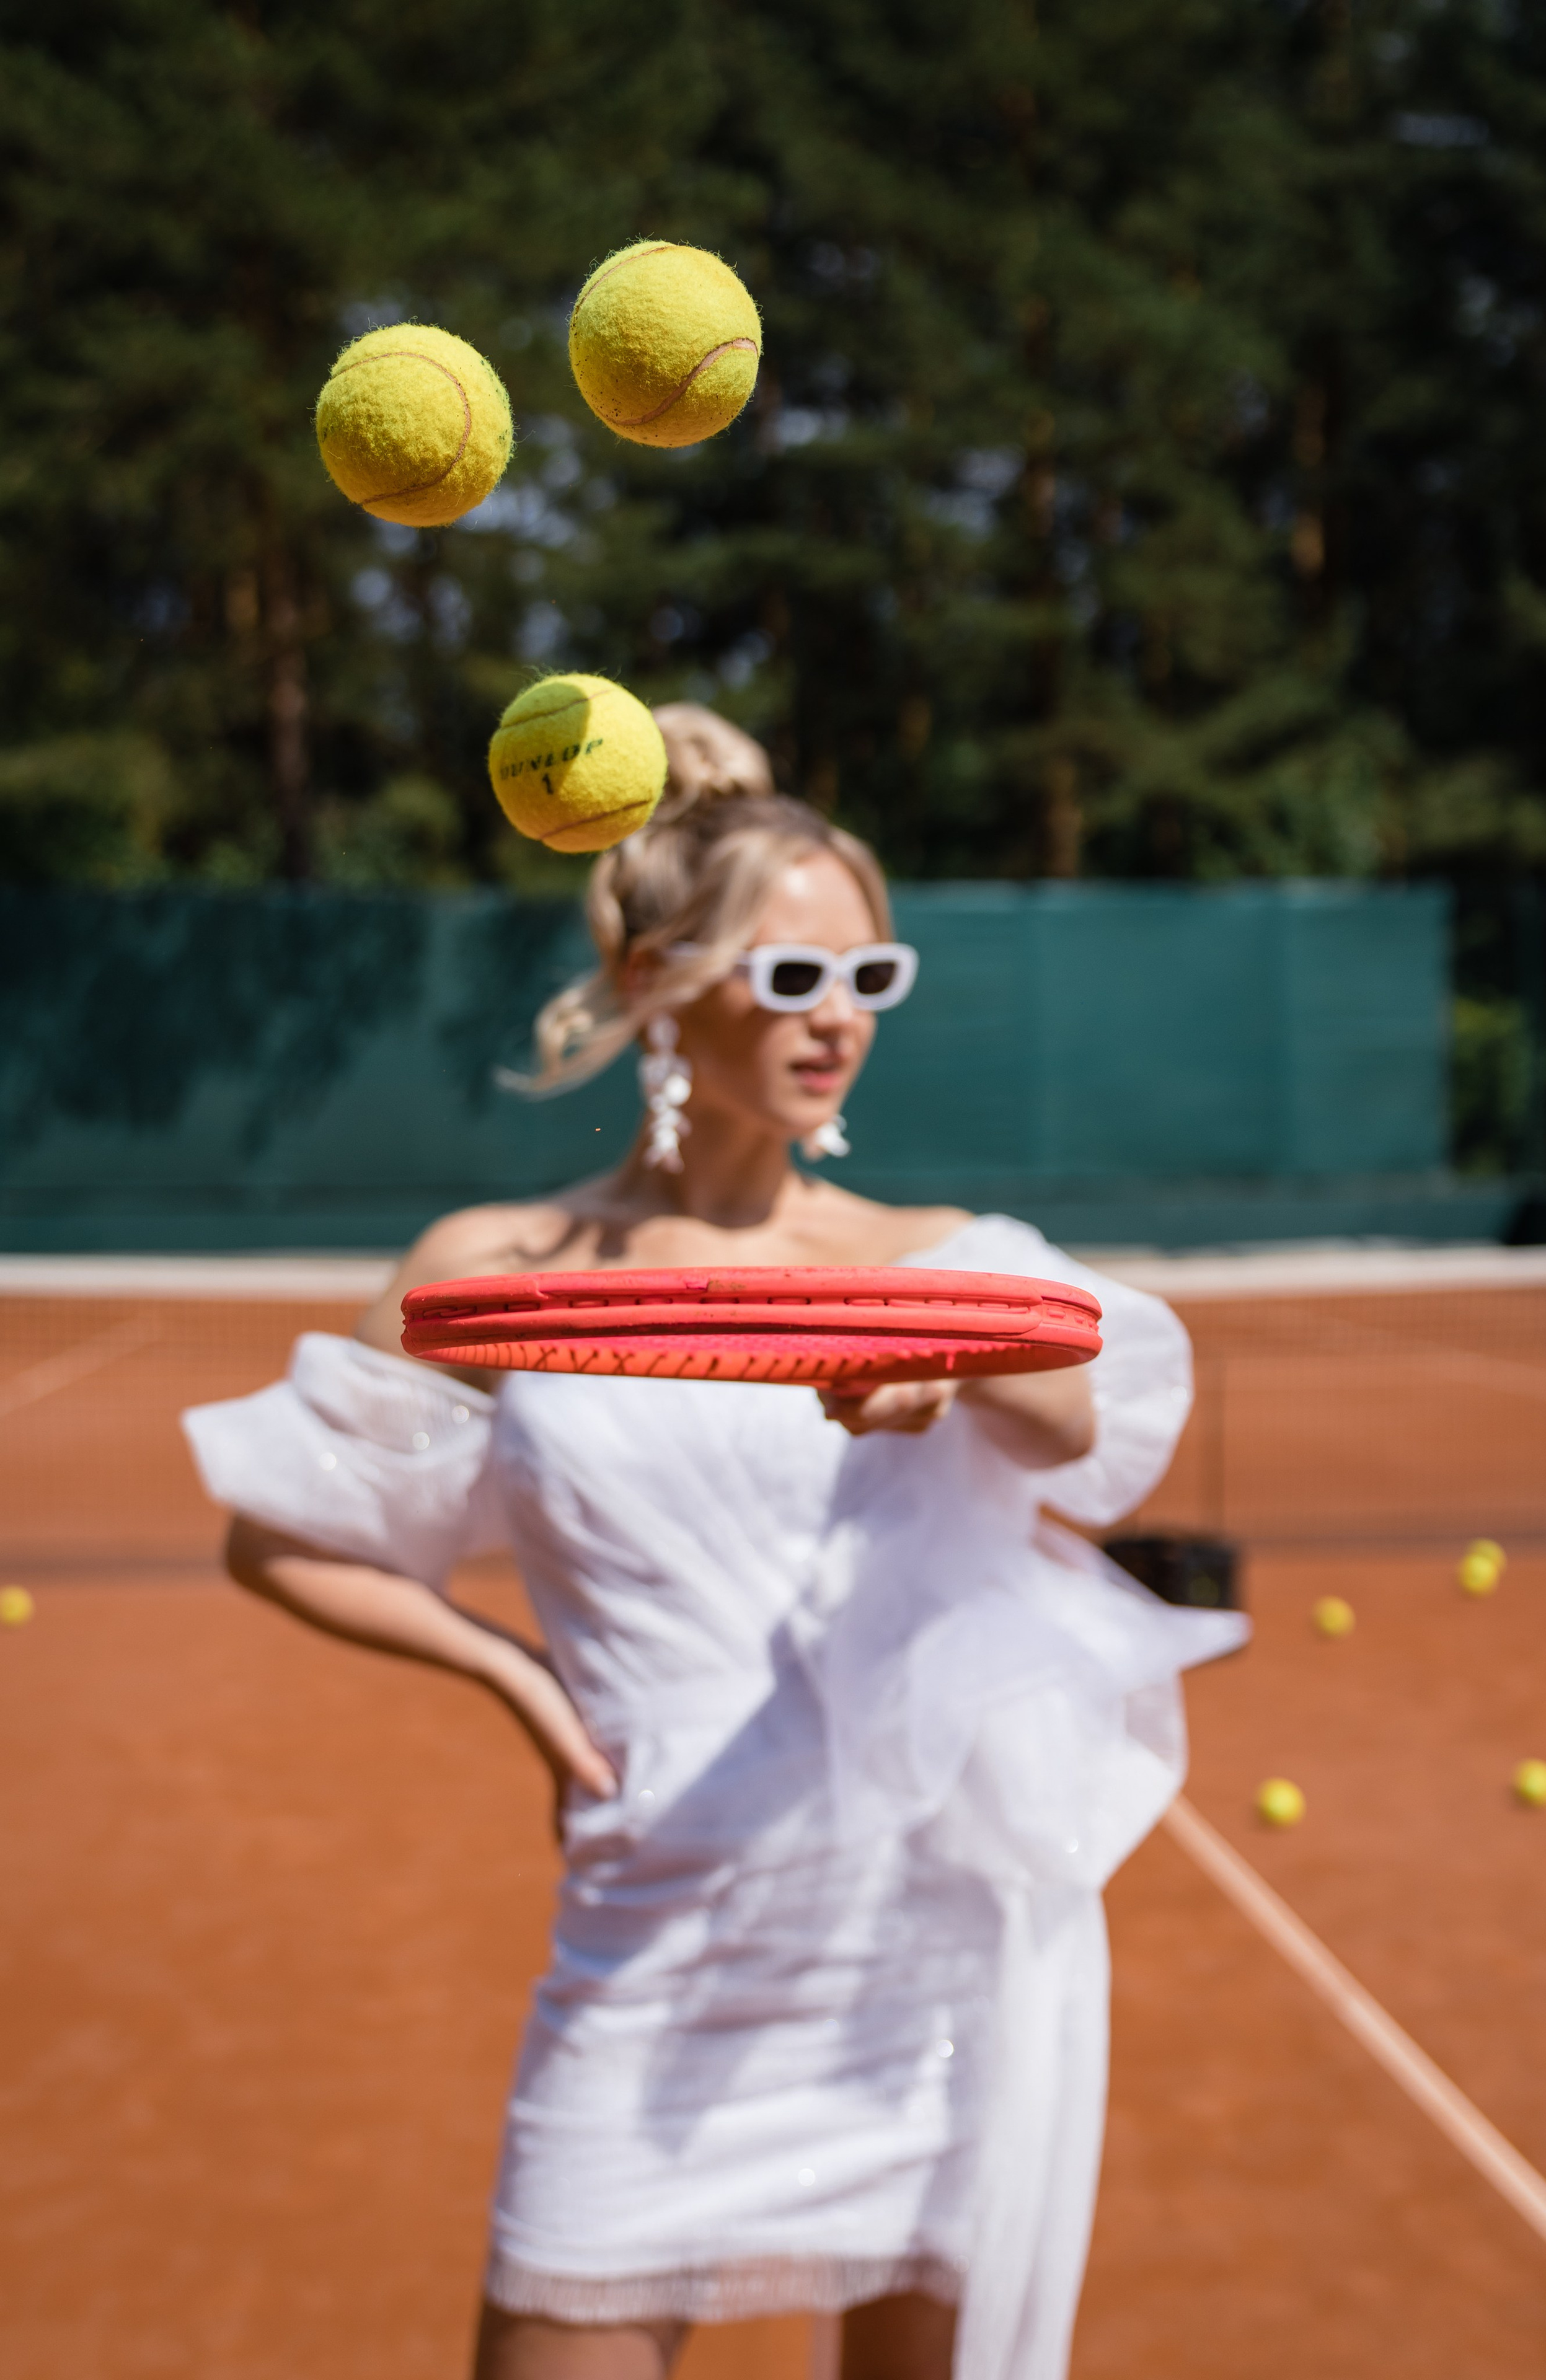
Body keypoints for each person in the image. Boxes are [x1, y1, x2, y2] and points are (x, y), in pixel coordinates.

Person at [184, 713, 1245, 2380]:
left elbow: (1088, 1414)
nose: (840, 1025)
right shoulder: (498, 1266)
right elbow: (282, 1534)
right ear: (658, 974)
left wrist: (946, 1355)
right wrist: (517, 1679)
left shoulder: (938, 1257)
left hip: (920, 1959)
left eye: (872, 980)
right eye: (794, 976)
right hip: (651, 1941)